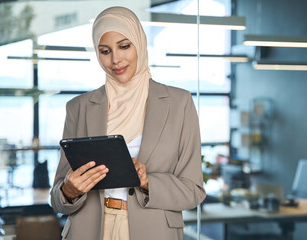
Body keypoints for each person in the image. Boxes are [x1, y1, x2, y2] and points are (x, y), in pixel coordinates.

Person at [50, 6, 206, 240]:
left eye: (124, 46)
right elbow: (58, 199)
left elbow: (193, 191)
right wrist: (69, 191)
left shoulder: (178, 103)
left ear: (140, 44)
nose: (115, 59)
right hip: (89, 230)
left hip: (154, 231)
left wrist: (147, 181)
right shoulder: (79, 107)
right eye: (104, 51)